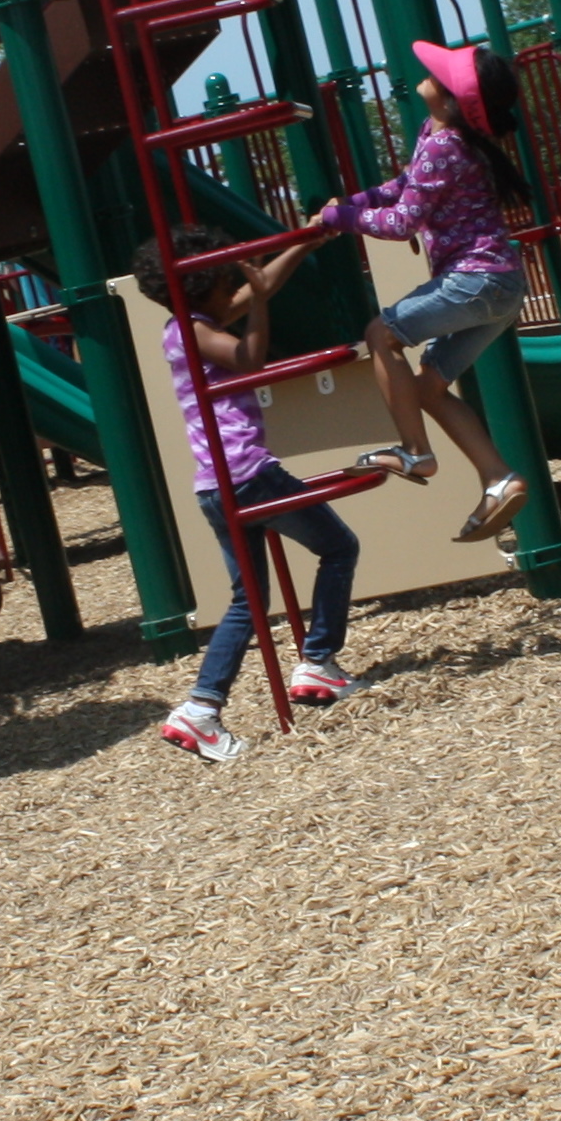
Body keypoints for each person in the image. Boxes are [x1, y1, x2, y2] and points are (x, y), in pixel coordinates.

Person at [135, 226, 365, 764]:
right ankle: (318, 662)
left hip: (216, 485)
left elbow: (250, 293)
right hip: (248, 475)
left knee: (248, 602)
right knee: (338, 547)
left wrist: (304, 245)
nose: (236, 292)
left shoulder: (186, 324)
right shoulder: (196, 332)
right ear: (209, 288)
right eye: (229, 284)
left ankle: (200, 710)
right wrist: (260, 301)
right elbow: (252, 357)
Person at [318, 39, 537, 544]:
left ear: (451, 100)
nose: (428, 75)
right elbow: (403, 186)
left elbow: (400, 223)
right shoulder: (437, 133)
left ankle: (414, 451)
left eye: (437, 75)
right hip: (500, 285)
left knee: (382, 334)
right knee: (427, 388)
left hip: (476, 279)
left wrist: (339, 218)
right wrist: (350, 203)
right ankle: (498, 479)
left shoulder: (445, 144)